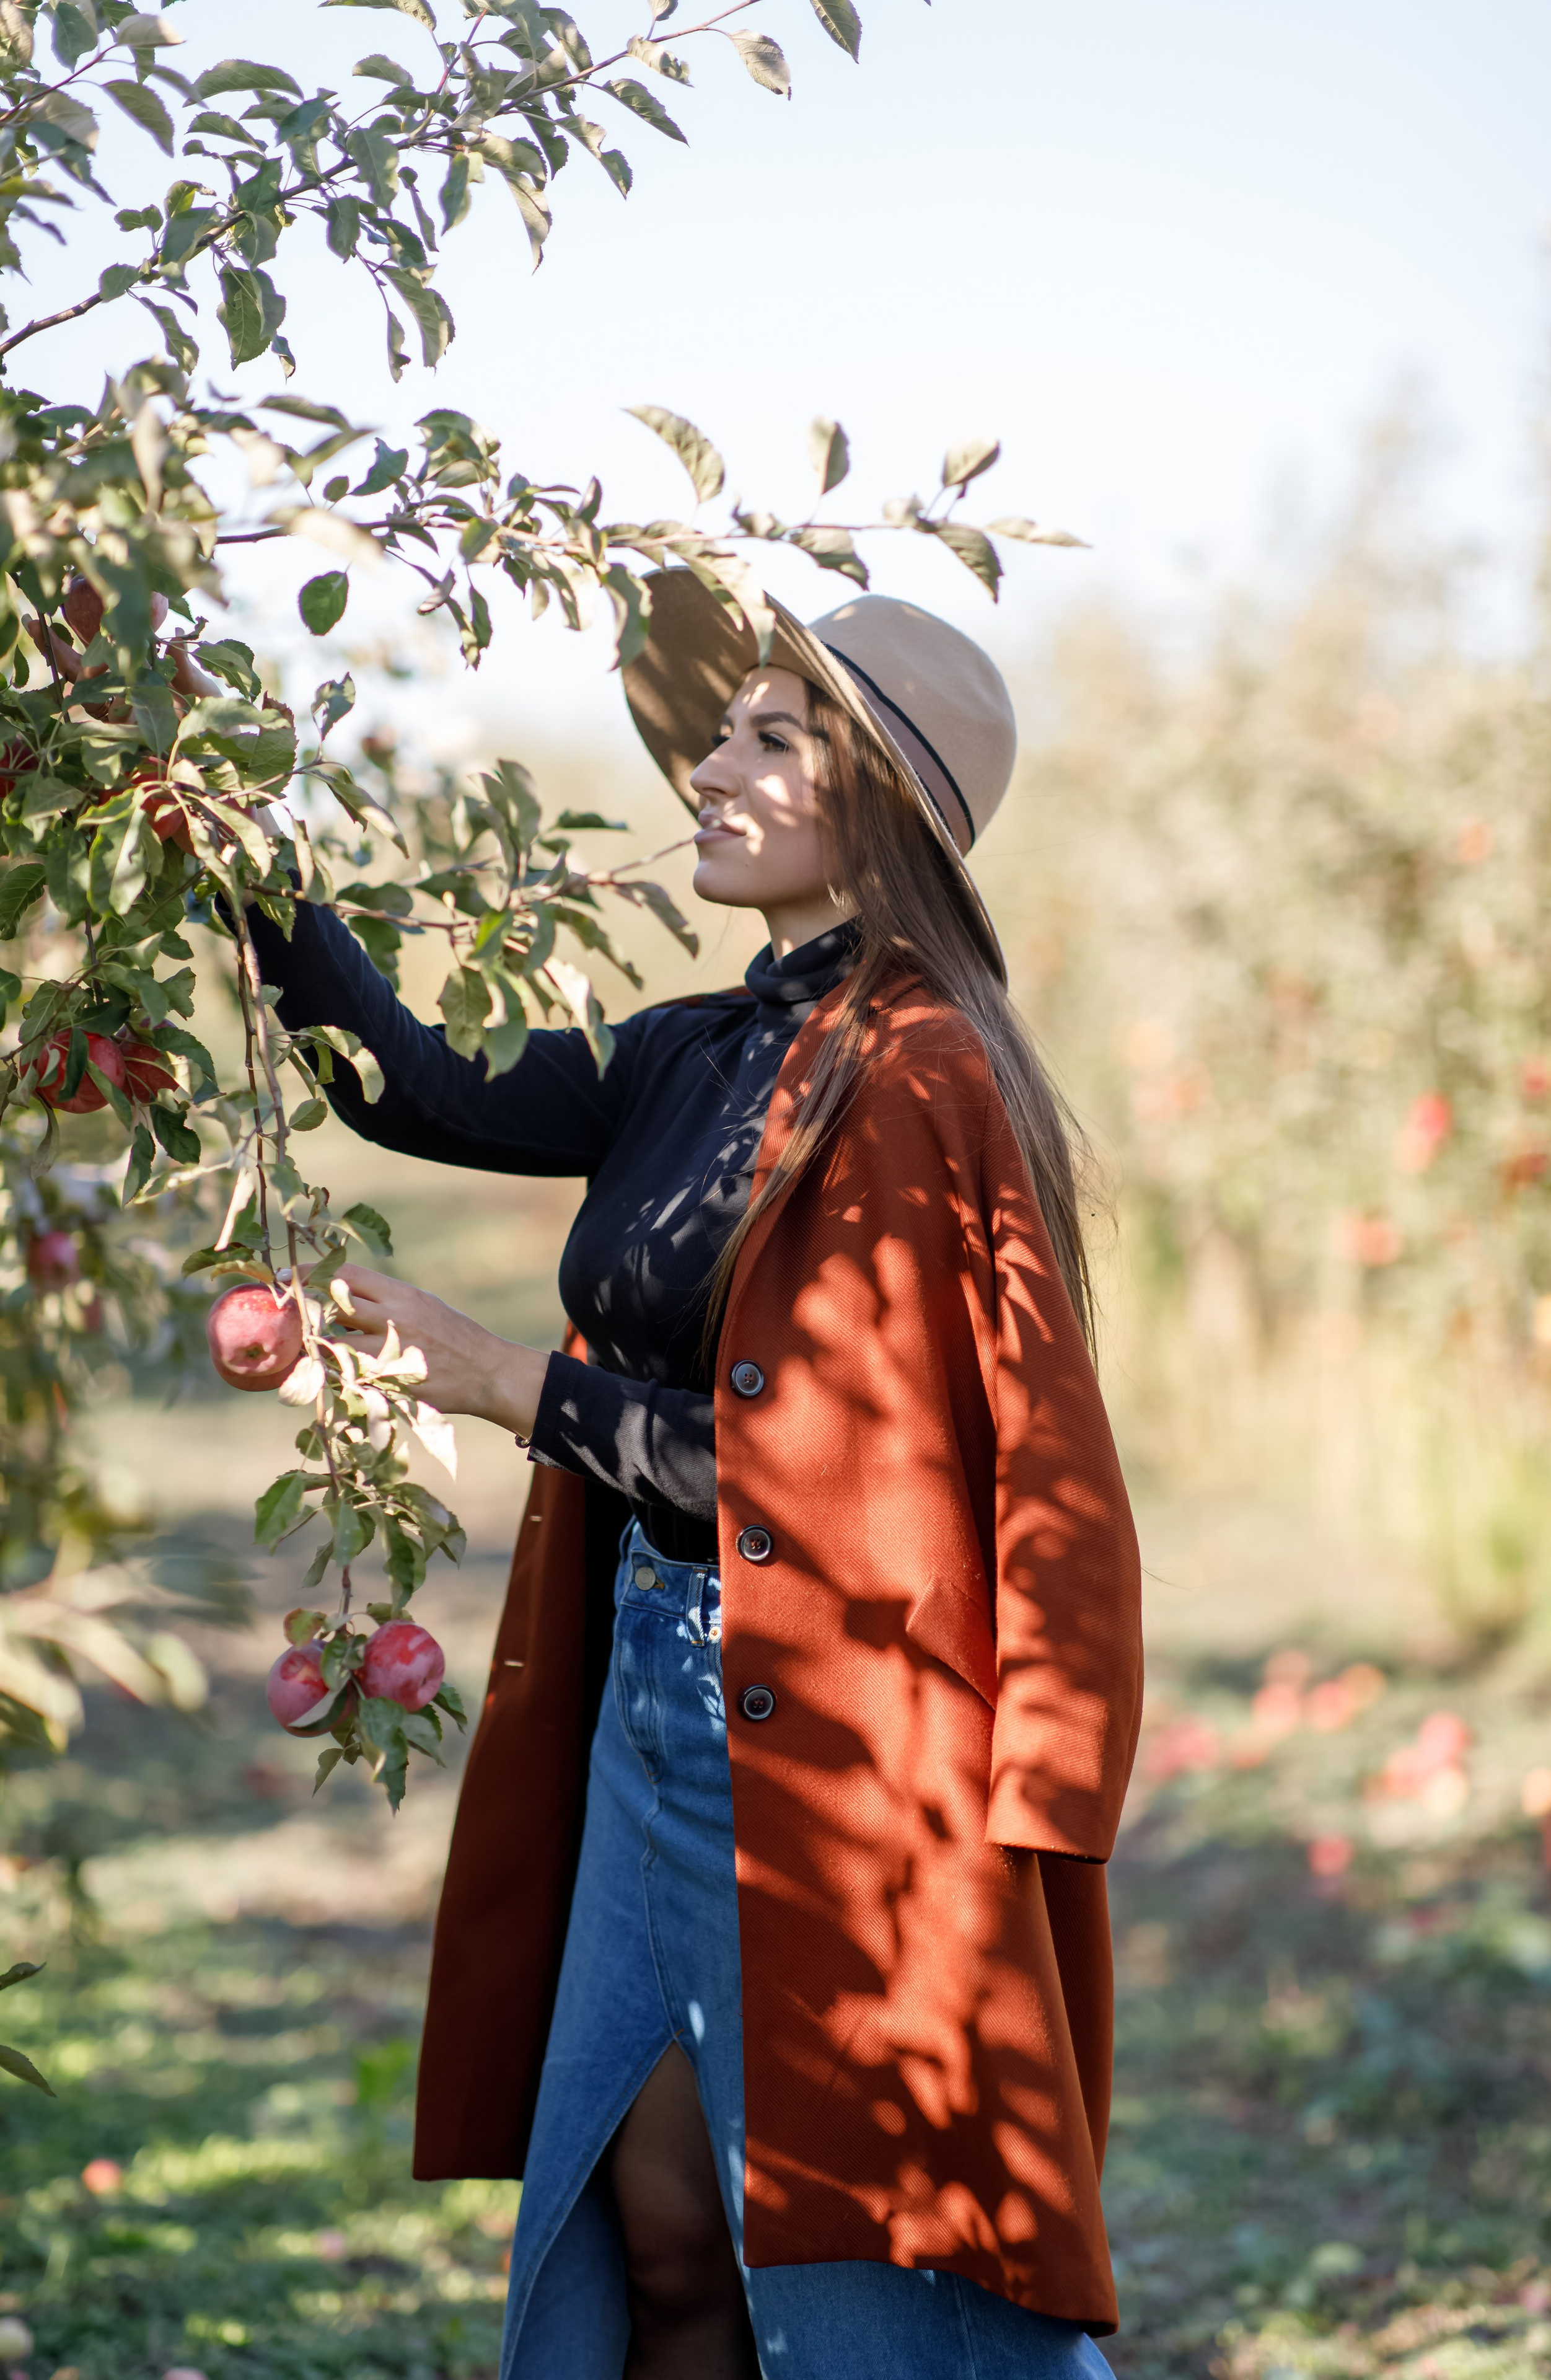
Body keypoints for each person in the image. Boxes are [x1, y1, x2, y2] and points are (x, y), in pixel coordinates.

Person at [247, 568, 1144, 2378]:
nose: (711, 771)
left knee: (878, 2295)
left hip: (831, 1739)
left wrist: (505, 1380)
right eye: (717, 733)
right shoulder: (696, 1053)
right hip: (661, 1707)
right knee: (656, 2239)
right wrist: (235, 848)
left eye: (768, 736)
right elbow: (417, 1088)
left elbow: (829, 1487)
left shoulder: (915, 1077)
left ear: (874, 807)